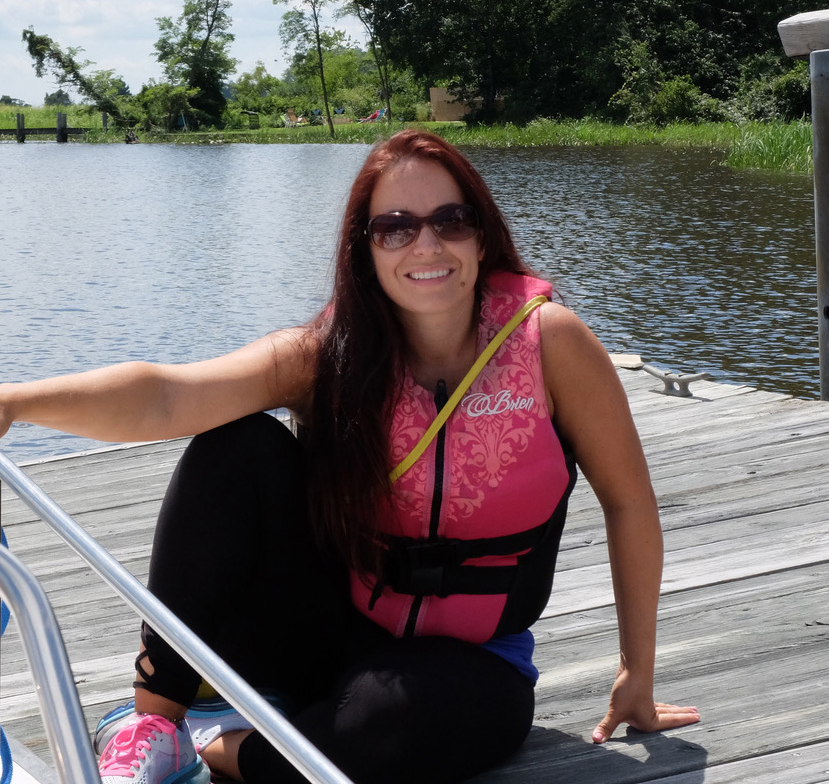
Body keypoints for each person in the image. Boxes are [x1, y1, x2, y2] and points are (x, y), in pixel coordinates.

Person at [0, 130, 699, 784]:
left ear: (482, 235)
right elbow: (167, 397)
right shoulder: (327, 355)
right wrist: (13, 402)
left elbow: (628, 501)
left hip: (472, 663)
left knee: (388, 724)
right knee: (235, 446)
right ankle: (154, 725)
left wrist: (636, 673)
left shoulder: (552, 344)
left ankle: (223, 745)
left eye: (451, 220)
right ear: (365, 249)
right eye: (395, 227)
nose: (426, 244)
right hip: (329, 624)